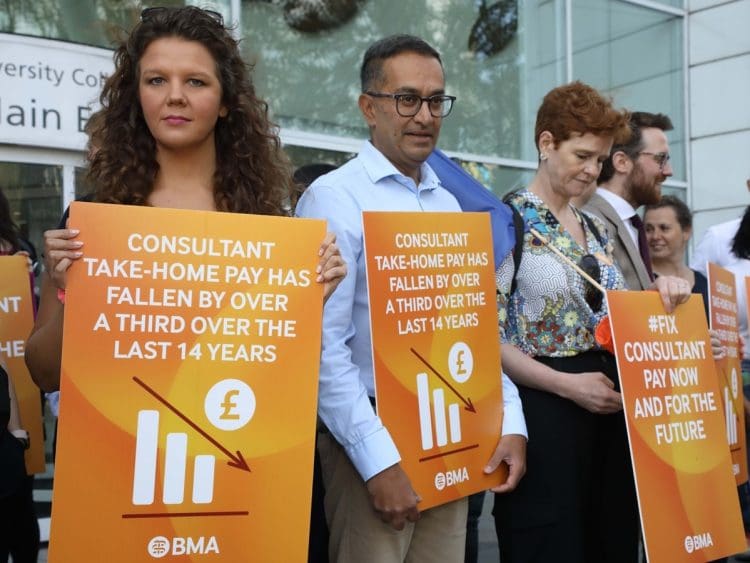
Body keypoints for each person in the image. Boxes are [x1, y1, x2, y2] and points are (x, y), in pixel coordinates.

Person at [24, 6, 345, 393]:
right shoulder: (90, 223)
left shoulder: (269, 230)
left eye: (196, 82)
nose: (175, 96)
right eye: (157, 80)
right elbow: (43, 376)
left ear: (226, 101)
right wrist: (74, 293)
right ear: (136, 97)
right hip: (125, 444)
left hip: (228, 442)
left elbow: (277, 382)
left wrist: (309, 302)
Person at [296, 34, 527, 562]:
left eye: (435, 100)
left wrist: (510, 419)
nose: (424, 115)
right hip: (370, 438)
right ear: (368, 107)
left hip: (448, 432)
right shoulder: (333, 198)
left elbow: (473, 327)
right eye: (406, 99)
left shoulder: (447, 203)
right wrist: (376, 461)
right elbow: (322, 350)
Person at [493, 82, 691, 563]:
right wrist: (567, 387)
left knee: (611, 539)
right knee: (550, 544)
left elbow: (620, 314)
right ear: (546, 144)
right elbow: (488, 336)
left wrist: (663, 293)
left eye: (599, 160)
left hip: (610, 408)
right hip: (544, 408)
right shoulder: (506, 220)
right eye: (581, 155)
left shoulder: (600, 227)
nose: (591, 170)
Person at [585, 111, 674, 290]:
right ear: (622, 162)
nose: (668, 171)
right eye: (661, 159)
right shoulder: (588, 221)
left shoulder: (631, 224)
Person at [644, 195, 709, 317]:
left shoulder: (706, 284)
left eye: (664, 228)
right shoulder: (640, 279)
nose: (655, 236)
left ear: (686, 231)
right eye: (648, 229)